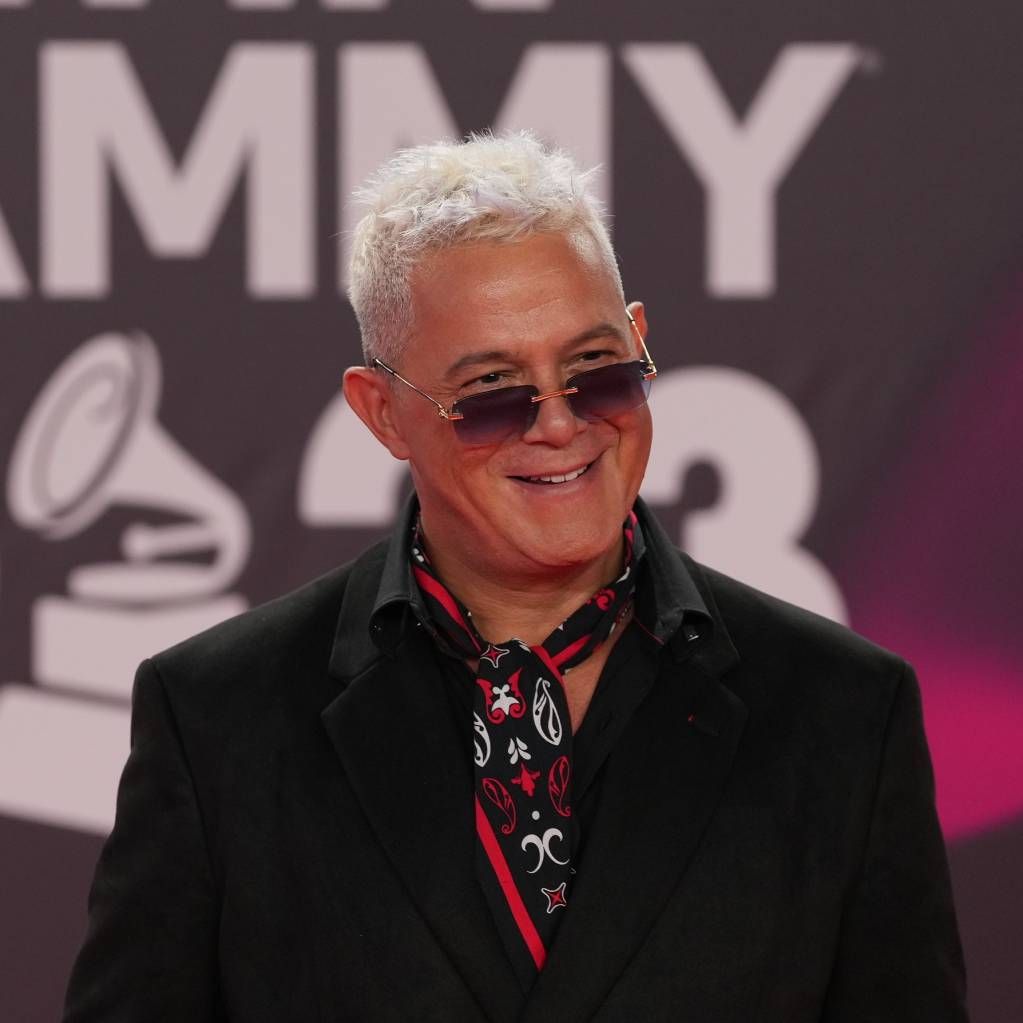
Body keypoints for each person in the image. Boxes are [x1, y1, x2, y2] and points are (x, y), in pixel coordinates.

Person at [63, 131, 968, 1022]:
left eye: (596, 370)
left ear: (640, 342)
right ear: (382, 413)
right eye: (493, 391)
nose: (560, 425)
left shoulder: (845, 714)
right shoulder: (218, 721)